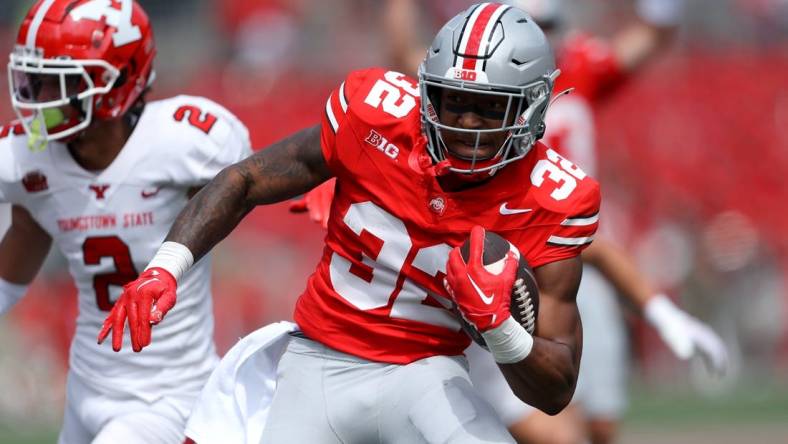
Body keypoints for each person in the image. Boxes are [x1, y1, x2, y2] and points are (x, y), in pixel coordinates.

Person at [100, 3, 601, 443]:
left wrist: (501, 331)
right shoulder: (374, 115)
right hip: (318, 365)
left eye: (492, 108)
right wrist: (164, 267)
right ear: (429, 92)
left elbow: (556, 390)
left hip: (426, 377)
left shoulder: (554, 197)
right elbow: (246, 180)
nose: (466, 124)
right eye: (456, 101)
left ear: (532, 110)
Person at [322, 1, 724, 443]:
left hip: (561, 255)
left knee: (593, 420)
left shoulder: (577, 76)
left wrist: (660, 311)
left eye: (548, 27)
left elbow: (650, 37)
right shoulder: (468, 103)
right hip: (486, 264)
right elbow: (414, 66)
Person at [0, 1, 252, 443]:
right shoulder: (28, 159)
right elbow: (23, 240)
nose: (39, 100)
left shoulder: (183, 141)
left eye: (57, 83)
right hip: (86, 388)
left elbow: (250, 181)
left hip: (167, 394)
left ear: (113, 84)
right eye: (34, 80)